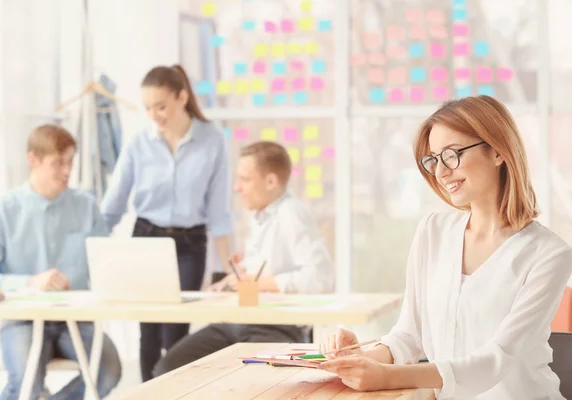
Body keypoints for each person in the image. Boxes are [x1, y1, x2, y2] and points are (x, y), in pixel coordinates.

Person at [319, 96, 572, 399]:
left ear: (497, 152)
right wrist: (356, 361)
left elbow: (498, 358)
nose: (440, 172)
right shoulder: (433, 231)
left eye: (452, 155)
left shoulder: (548, 253)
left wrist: (385, 377)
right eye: (434, 160)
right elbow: (408, 336)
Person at [152, 141, 335, 377]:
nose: (238, 188)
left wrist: (258, 284)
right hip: (239, 321)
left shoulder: (291, 213)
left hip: (275, 327)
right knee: (169, 370)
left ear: (271, 182)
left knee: (245, 381)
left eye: (245, 180)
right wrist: (233, 280)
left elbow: (321, 278)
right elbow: (266, 267)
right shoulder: (260, 216)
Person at [100, 64, 233, 381]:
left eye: (161, 106)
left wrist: (229, 271)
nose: (154, 114)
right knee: (148, 331)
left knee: (176, 330)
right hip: (146, 238)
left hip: (190, 244)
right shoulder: (138, 143)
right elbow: (113, 205)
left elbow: (219, 213)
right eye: (148, 108)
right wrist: (92, 251)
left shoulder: (212, 140)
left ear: (182, 97)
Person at [0, 125, 121, 400]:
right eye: (58, 163)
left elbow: (107, 264)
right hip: (22, 321)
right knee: (26, 385)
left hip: (74, 320)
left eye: (70, 161)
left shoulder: (86, 207)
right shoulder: (3, 211)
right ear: (33, 160)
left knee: (109, 370)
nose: (67, 171)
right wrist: (29, 282)